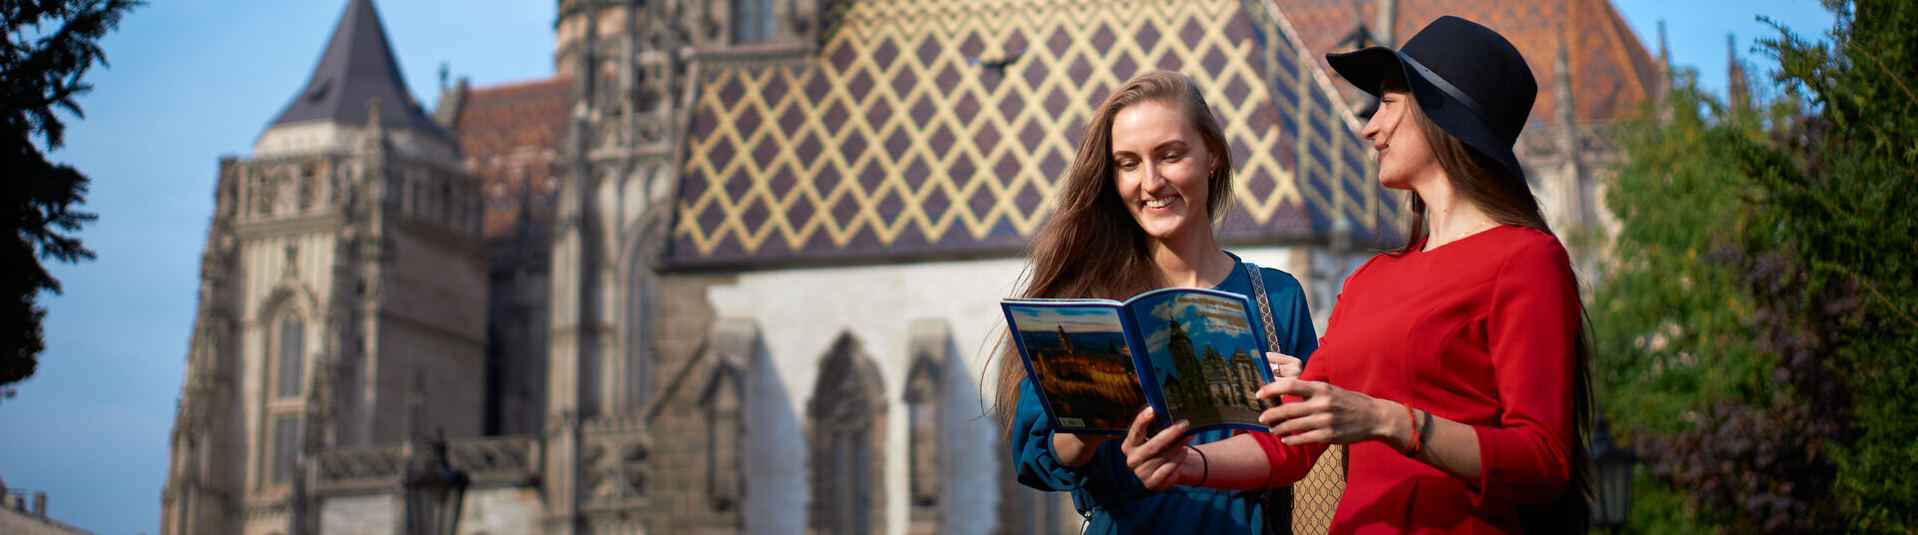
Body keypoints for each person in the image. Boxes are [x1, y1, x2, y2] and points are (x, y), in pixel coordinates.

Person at [1122, 16, 1595, 534]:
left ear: (1444, 116)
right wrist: (1187, 464)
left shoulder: (1526, 260)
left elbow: (1543, 462)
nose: (1370, 127)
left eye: (1388, 103)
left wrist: (1385, 420)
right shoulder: (1370, 280)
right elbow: (1289, 442)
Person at [999, 70, 1318, 534]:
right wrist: (1093, 417)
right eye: (1128, 164)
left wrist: (1305, 398)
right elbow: (1042, 457)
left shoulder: (1276, 296)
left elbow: (1303, 446)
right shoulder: (1087, 303)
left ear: (1212, 155)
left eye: (1170, 156)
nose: (1150, 182)